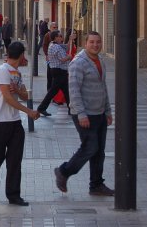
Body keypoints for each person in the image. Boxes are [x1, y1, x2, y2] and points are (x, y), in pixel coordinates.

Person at [54, 31, 114, 197]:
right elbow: (73, 91)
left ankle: (96, 185)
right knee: (90, 147)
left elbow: (103, 88)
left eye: (98, 42)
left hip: (100, 113)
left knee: (99, 151)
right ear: (85, 43)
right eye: (92, 42)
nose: (95, 45)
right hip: (85, 114)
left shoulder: (100, 60)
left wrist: (108, 111)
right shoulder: (78, 63)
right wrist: (81, 114)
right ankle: (64, 171)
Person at [0, 42, 40, 206]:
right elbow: (7, 99)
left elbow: (24, 95)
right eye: (24, 55)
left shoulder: (17, 72)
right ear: (21, 55)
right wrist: (29, 112)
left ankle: (14, 195)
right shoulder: (2, 70)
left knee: (15, 160)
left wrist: (18, 90)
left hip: (15, 123)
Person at [36, 30, 73, 117]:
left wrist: (70, 40)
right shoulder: (56, 47)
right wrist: (69, 57)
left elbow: (67, 47)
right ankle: (41, 108)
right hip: (59, 71)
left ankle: (71, 109)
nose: (61, 37)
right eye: (60, 36)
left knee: (66, 91)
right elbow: (63, 59)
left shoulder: (55, 45)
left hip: (60, 71)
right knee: (53, 92)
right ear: (55, 38)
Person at [54, 29, 77, 105]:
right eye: (73, 34)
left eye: (75, 33)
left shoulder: (73, 42)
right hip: (69, 62)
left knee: (67, 83)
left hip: (73, 61)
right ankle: (60, 98)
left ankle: (64, 99)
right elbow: (67, 52)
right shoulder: (69, 43)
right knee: (65, 83)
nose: (75, 35)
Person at [43, 22, 58, 90]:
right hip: (50, 57)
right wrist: (46, 55)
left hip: (57, 57)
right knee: (49, 74)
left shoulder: (58, 35)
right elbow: (44, 45)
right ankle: (49, 89)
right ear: (50, 28)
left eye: (56, 27)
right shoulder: (47, 35)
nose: (55, 29)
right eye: (54, 27)